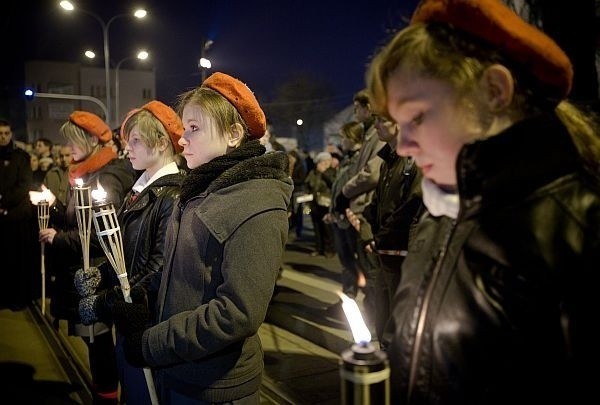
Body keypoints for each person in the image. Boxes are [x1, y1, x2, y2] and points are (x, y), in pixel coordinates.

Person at [367, 0, 600, 403]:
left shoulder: (579, 232)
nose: (403, 147)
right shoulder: (441, 212)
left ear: (494, 91)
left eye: (417, 118)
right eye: (399, 125)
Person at [111, 72, 293, 404]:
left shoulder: (257, 204)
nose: (182, 139)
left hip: (213, 385)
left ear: (234, 134)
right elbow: (179, 276)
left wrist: (152, 344)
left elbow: (235, 314)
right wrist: (140, 300)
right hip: (179, 371)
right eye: (184, 128)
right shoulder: (200, 191)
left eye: (194, 128)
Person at [74, 100, 185, 404]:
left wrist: (106, 301)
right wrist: (101, 275)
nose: (128, 149)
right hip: (130, 318)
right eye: (127, 141)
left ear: (162, 143)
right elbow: (124, 253)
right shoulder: (141, 191)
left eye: (135, 141)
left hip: (147, 322)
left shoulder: (172, 195)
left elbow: (160, 267)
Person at [34, 111, 136, 404]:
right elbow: (79, 220)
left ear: (92, 139)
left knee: (100, 342)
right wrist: (54, 209)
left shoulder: (107, 175)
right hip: (83, 273)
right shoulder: (84, 171)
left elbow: (99, 233)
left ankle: (106, 398)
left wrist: (59, 238)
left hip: (98, 276)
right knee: (95, 342)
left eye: (73, 141)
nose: (67, 148)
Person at [346, 115, 424, 348]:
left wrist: (378, 239)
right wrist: (368, 234)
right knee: (382, 312)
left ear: (399, 123)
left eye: (382, 120)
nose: (376, 125)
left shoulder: (415, 160)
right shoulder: (388, 160)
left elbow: (412, 205)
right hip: (383, 251)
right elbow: (375, 205)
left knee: (399, 318)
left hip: (400, 252)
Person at [0, 119, 35, 310]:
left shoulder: (21, 157)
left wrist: (5, 203)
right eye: (0, 133)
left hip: (16, 216)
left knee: (17, 260)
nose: (3, 137)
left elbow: (23, 185)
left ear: (11, 134)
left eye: (6, 133)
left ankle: (17, 298)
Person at [304, 151, 336, 257]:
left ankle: (330, 250)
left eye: (327, 161)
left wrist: (324, 173)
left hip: (326, 203)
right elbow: (308, 184)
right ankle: (319, 248)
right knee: (317, 227)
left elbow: (333, 184)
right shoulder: (313, 172)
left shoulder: (332, 171)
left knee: (327, 228)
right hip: (314, 202)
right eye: (322, 162)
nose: (325, 163)